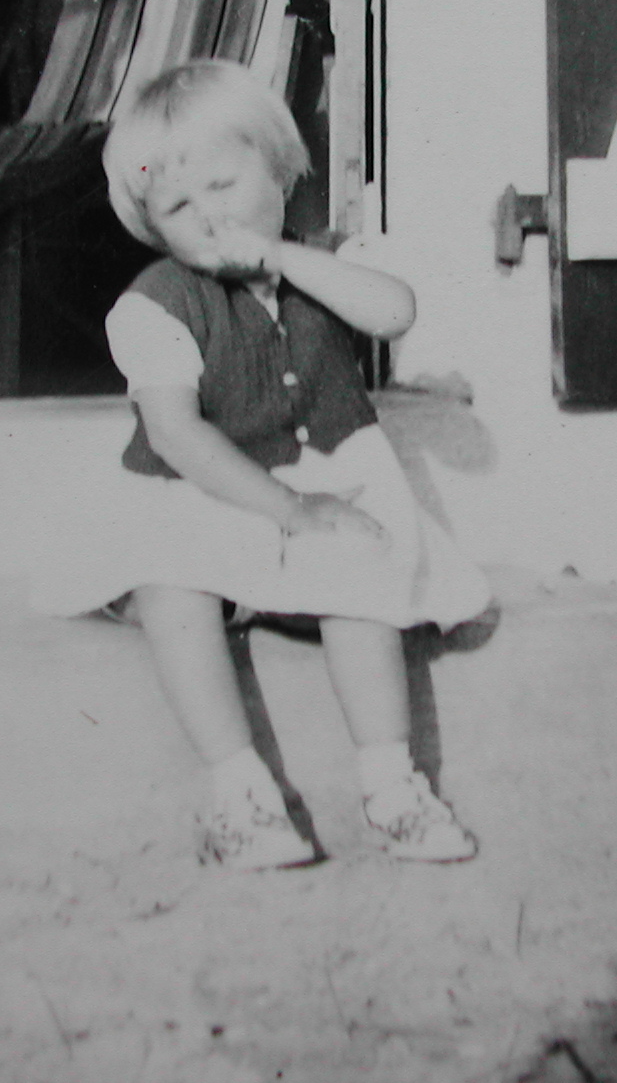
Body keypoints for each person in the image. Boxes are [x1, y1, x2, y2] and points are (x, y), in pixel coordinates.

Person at [32, 59, 491, 870]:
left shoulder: (325, 264)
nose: (209, 216)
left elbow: (395, 311)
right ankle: (240, 792)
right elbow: (177, 437)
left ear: (279, 170)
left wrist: (282, 257)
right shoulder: (156, 303)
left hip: (325, 478)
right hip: (208, 492)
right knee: (169, 583)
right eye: (178, 207)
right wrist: (289, 511)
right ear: (152, 228)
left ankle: (391, 784)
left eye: (223, 184)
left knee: (362, 566)